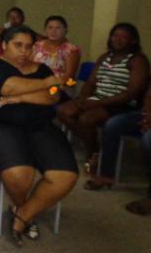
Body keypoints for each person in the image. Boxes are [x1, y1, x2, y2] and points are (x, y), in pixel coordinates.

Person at [0, 25, 78, 247]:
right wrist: (42, 86)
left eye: (28, 46)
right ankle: (26, 211)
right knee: (19, 175)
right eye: (17, 45)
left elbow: (53, 97)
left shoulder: (42, 68)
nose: (24, 51)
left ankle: (22, 213)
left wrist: (23, 98)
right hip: (0, 125)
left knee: (65, 177)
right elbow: (9, 87)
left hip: (41, 127)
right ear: (4, 45)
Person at [57, 23, 149, 174]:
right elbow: (91, 82)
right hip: (98, 98)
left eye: (123, 37)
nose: (117, 39)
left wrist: (96, 103)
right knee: (64, 111)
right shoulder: (105, 57)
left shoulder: (138, 60)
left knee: (86, 119)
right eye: (115, 35)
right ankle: (95, 147)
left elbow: (132, 92)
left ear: (133, 41)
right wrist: (84, 99)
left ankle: (92, 153)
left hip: (121, 103)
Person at [85, 80, 151, 194]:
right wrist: (147, 115)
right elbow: (149, 96)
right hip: (146, 114)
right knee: (113, 124)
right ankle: (106, 175)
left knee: (148, 140)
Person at [31, 15, 80, 85]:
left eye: (58, 28)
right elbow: (28, 65)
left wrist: (45, 85)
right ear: (45, 30)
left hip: (59, 86)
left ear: (65, 30)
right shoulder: (37, 45)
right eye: (50, 28)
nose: (53, 31)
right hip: (35, 83)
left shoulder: (71, 49)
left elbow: (69, 77)